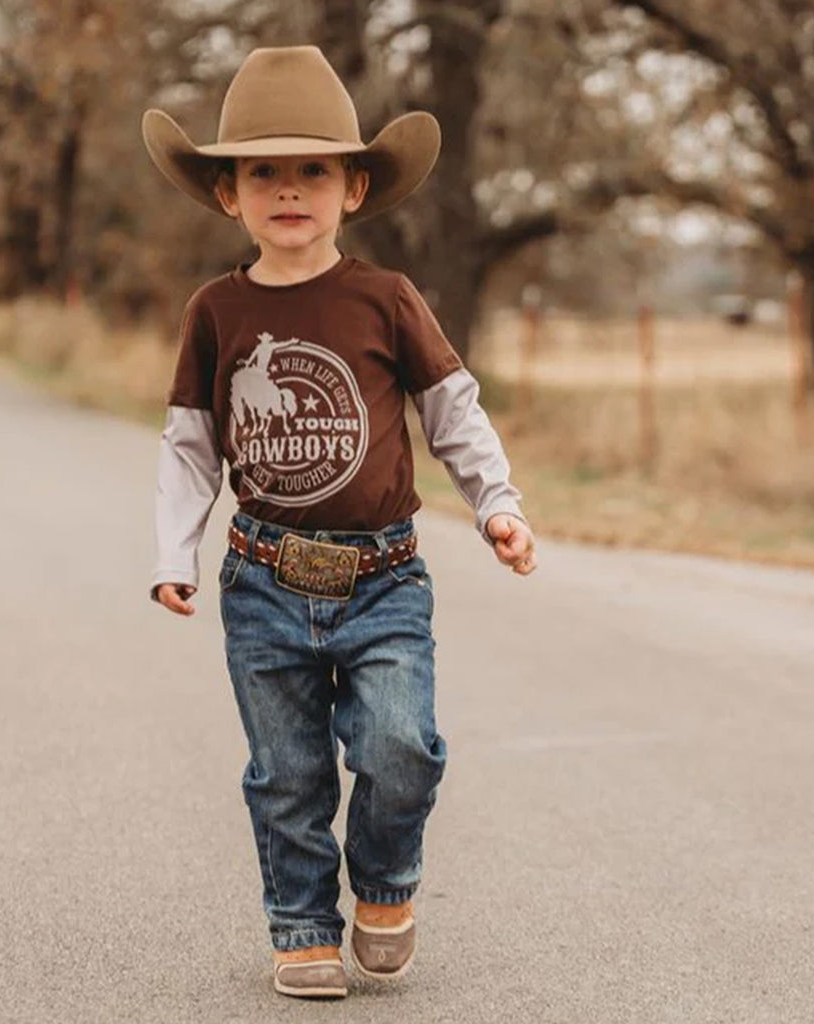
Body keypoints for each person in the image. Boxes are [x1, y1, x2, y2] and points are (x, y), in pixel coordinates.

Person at [142, 45, 537, 1000]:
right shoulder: (217, 311)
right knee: (287, 772)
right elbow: (192, 445)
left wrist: (497, 503)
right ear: (227, 194)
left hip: (384, 578)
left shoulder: (385, 298)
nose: (289, 190)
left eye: (313, 168)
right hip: (264, 578)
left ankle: (386, 888)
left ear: (354, 188)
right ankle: (303, 926)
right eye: (262, 172)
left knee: (403, 747)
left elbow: (453, 409)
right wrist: (174, 551)